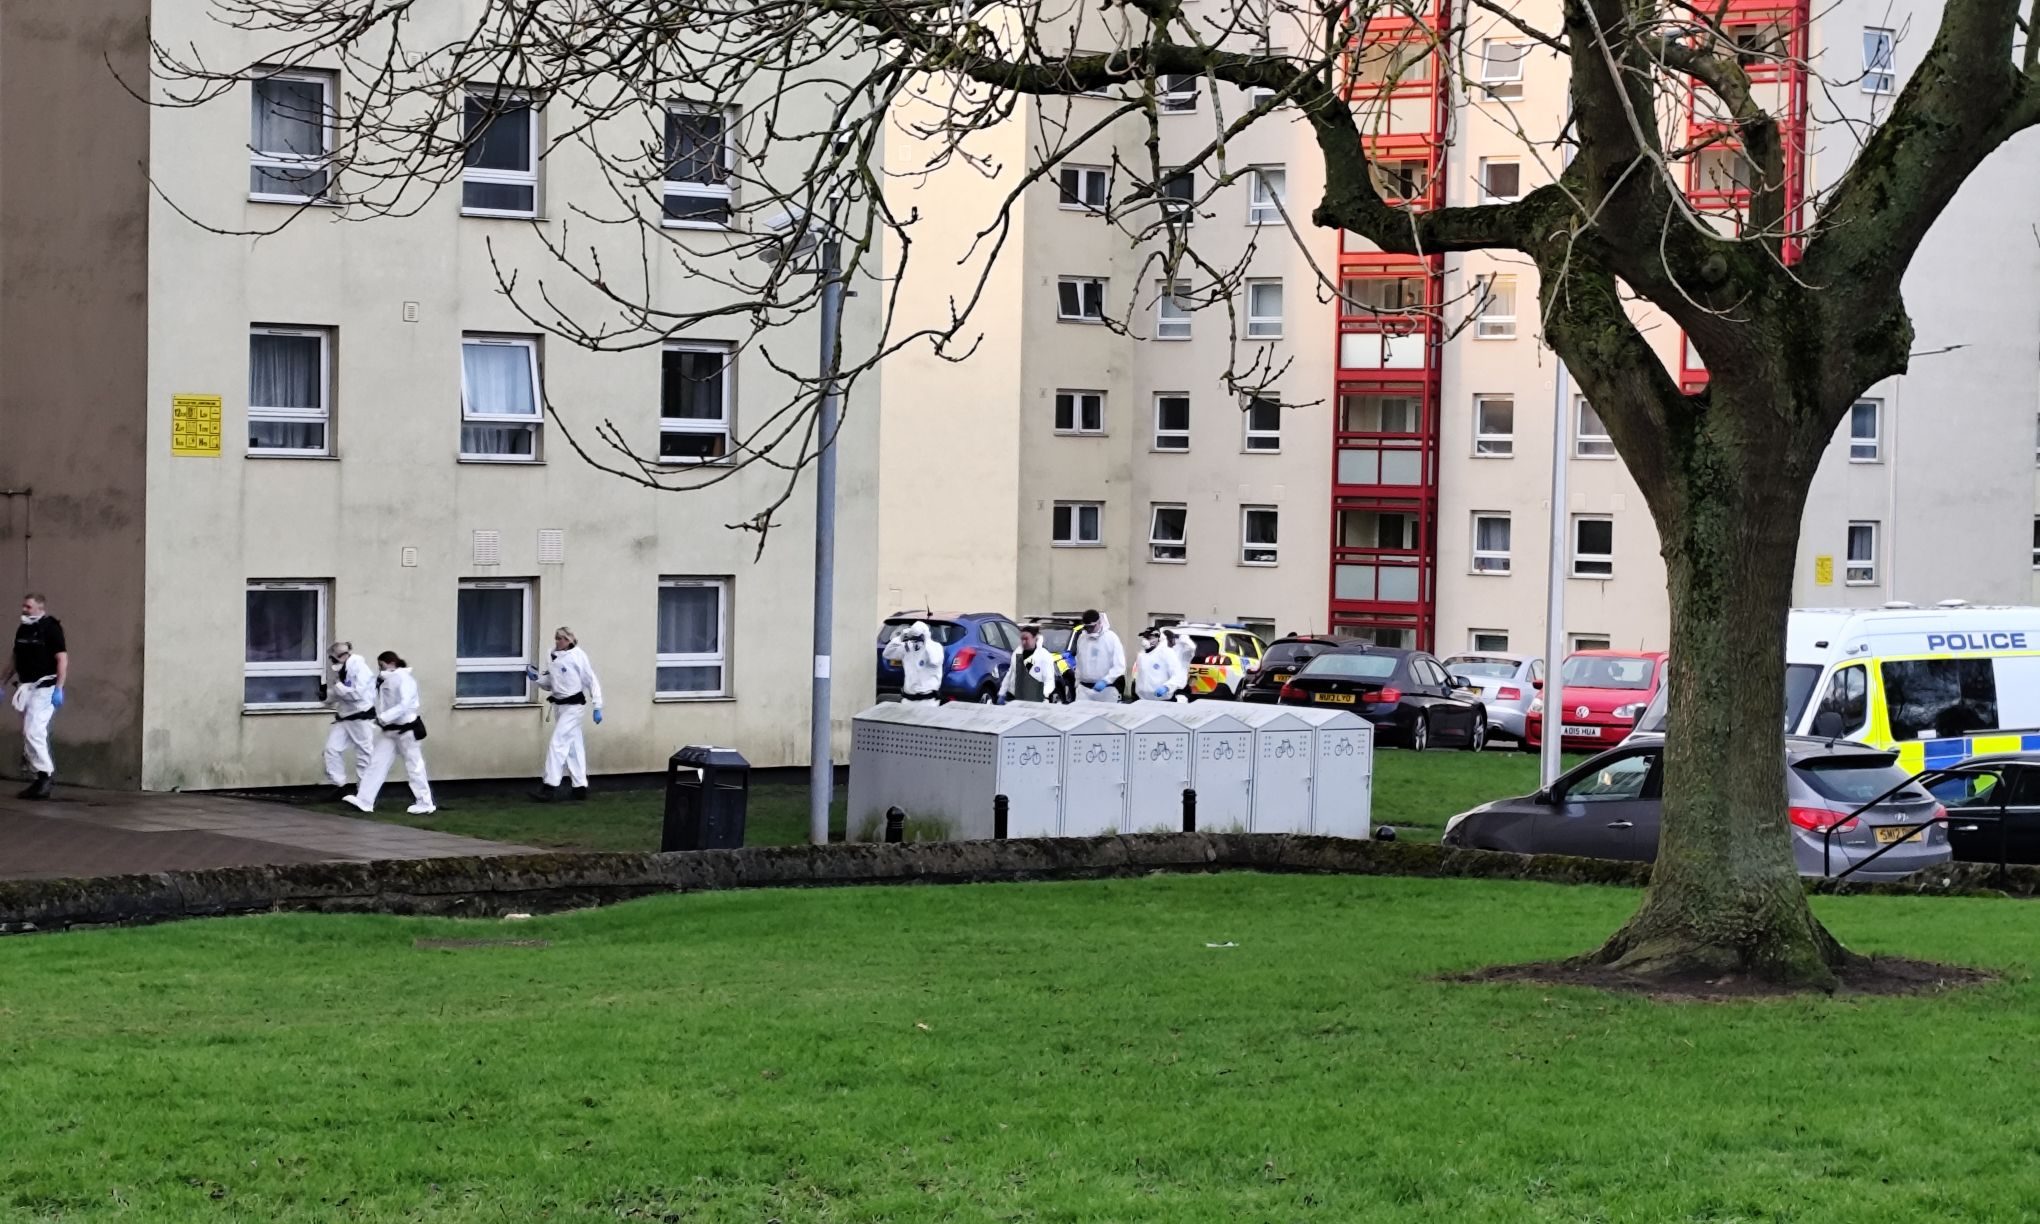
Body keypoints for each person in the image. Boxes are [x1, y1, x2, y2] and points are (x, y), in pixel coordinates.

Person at [342, 651, 435, 816]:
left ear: (391, 663)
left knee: (415, 766)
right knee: (376, 763)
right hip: (390, 730)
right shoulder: (387, 680)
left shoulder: (404, 679)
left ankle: (425, 802)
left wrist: (383, 717)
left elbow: (405, 704)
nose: (380, 669)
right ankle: (365, 800)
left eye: (382, 666)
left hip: (406, 729)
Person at [3, 593, 67, 800]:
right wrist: (1, 682)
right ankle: (39, 778)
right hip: (27, 687)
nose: (24, 610)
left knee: (34, 730)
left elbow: (62, 659)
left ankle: (46, 776)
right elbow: (15, 659)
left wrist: (59, 688)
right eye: (23, 606)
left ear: (40, 608)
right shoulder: (23, 629)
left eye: (28, 607)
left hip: (45, 687)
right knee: (27, 732)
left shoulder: (51, 628)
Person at [529, 626, 603, 802]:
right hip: (559, 706)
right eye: (556, 638)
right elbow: (551, 683)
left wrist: (597, 705)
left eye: (561, 638)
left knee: (558, 743)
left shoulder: (578, 656)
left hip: (574, 706)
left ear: (570, 640)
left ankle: (550, 786)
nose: (558, 641)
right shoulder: (551, 655)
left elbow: (590, 680)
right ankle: (580, 787)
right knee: (573, 747)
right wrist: (537, 679)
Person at [321, 641, 377, 801]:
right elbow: (342, 694)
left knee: (364, 754)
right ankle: (339, 786)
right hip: (345, 717)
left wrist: (337, 686)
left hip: (360, 716)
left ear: (342, 656)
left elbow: (356, 695)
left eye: (333, 659)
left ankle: (364, 792)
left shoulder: (360, 669)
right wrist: (327, 696)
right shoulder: (345, 669)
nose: (332, 663)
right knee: (331, 750)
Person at [998, 624, 1070, 703]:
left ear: (1035, 638)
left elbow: (1049, 680)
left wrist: (1044, 695)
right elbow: (1010, 673)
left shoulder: (1044, 655)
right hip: (1014, 697)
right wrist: (1002, 693)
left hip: (1035, 699)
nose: (1024, 642)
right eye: (1022, 639)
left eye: (1026, 639)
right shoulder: (1017, 652)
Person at [1072, 609, 1126, 703]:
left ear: (1100, 622)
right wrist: (1077, 681)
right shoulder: (1082, 638)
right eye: (1086, 627)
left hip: (1106, 689)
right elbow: (1079, 662)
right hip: (1084, 689)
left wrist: (1106, 680)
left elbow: (1119, 665)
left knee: (1105, 716)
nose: (1089, 630)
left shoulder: (1111, 638)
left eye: (1092, 627)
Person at [884, 620, 945, 701]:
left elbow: (935, 661)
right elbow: (887, 654)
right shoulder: (908, 648)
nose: (916, 641)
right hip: (908, 699)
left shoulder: (935, 647)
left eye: (918, 638)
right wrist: (900, 638)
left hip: (928, 701)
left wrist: (925, 640)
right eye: (914, 638)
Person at [1134, 627, 1188, 701]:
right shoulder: (1142, 655)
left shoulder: (1167, 653)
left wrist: (1167, 687)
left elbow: (1177, 675)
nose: (1145, 641)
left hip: (1163, 700)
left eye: (1149, 638)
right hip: (1143, 699)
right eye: (1144, 637)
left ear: (1159, 639)